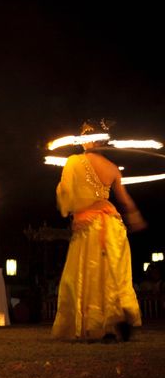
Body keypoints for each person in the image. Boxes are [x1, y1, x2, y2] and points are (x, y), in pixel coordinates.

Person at [51, 119, 146, 343]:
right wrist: (136, 217)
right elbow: (124, 199)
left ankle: (96, 325)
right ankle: (114, 322)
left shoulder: (74, 162)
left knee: (89, 276)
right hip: (113, 226)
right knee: (111, 276)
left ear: (90, 140)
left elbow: (65, 193)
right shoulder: (113, 168)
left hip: (89, 227)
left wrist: (72, 208)